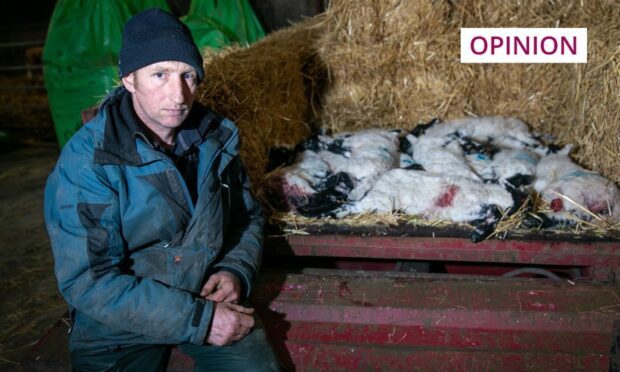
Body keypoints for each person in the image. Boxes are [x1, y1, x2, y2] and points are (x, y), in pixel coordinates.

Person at [44, 8, 280, 371]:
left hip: (205, 294)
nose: (179, 94)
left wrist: (235, 270)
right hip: (119, 322)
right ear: (128, 79)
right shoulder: (89, 161)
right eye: (159, 75)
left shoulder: (216, 140)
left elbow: (245, 217)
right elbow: (89, 280)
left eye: (188, 75)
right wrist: (200, 321)